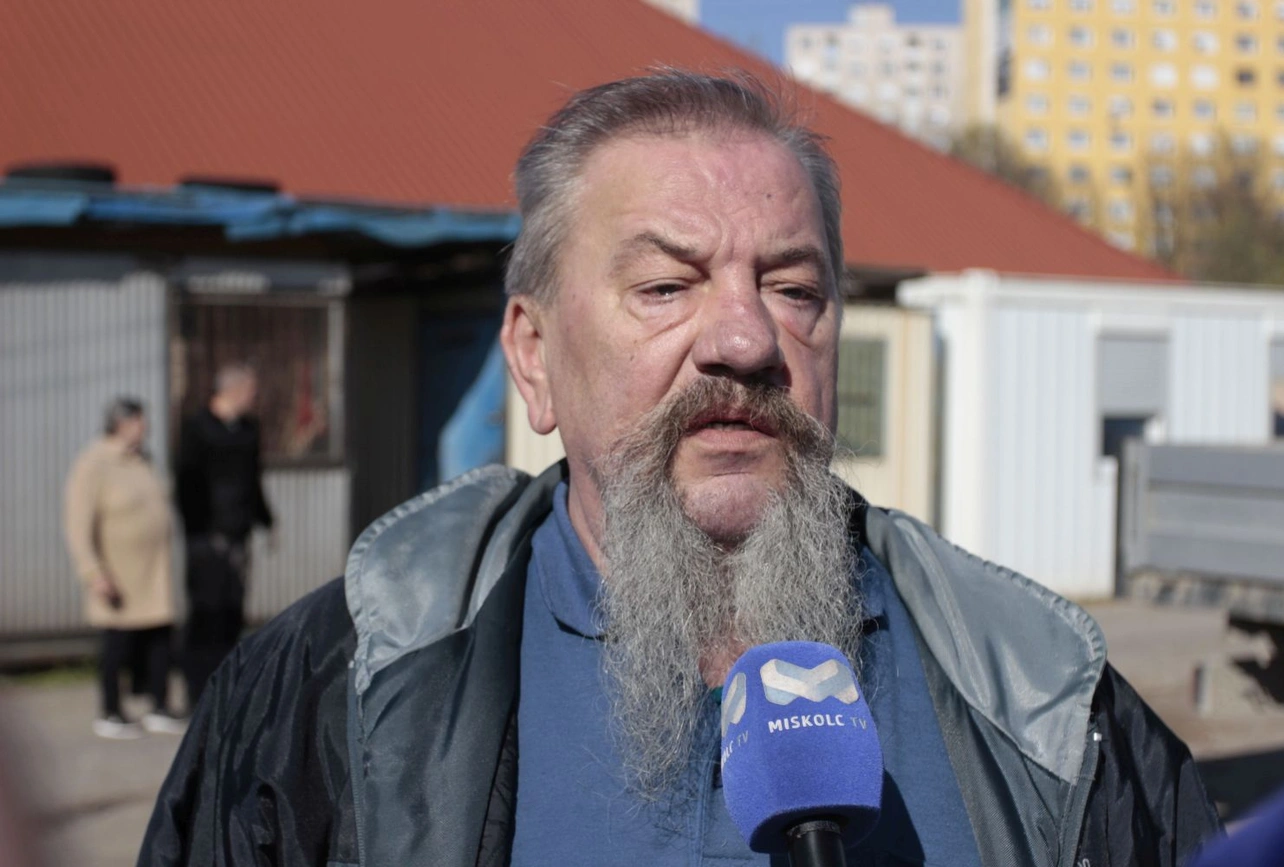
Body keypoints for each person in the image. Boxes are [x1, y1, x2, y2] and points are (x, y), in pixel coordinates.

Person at [140, 71, 1219, 866]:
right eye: (666, 287)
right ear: (533, 357)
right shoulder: (325, 698)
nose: (745, 340)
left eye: (793, 289)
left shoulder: (1043, 703)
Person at [63, 398, 186, 739]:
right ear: (121, 423)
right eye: (140, 421)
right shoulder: (94, 463)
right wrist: (92, 572)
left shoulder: (143, 460)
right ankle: (111, 711)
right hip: (118, 574)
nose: (145, 428)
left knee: (159, 639)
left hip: (152, 572)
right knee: (117, 645)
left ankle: (159, 705)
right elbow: (77, 525)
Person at [175, 363, 274, 708]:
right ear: (233, 390)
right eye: (251, 392)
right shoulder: (197, 428)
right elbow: (186, 485)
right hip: (205, 540)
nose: (254, 398)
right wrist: (200, 532)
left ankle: (228, 691)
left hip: (238, 536)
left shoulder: (248, 429)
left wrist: (266, 520)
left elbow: (254, 479)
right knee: (206, 615)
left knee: (232, 614)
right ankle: (197, 693)